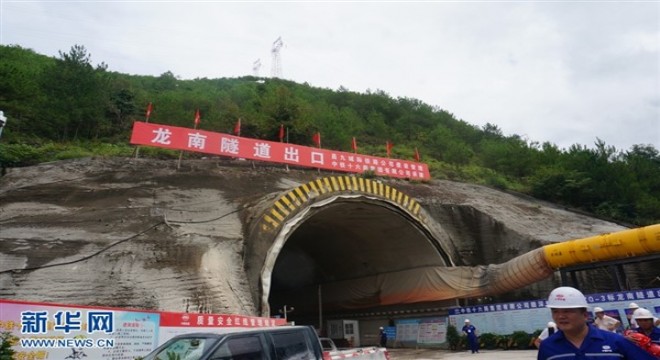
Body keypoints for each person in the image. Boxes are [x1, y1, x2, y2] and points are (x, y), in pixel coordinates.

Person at [537, 286, 655, 360]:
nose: (560, 316)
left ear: (585, 315)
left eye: (567, 311)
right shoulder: (548, 346)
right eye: (555, 311)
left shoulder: (616, 341)